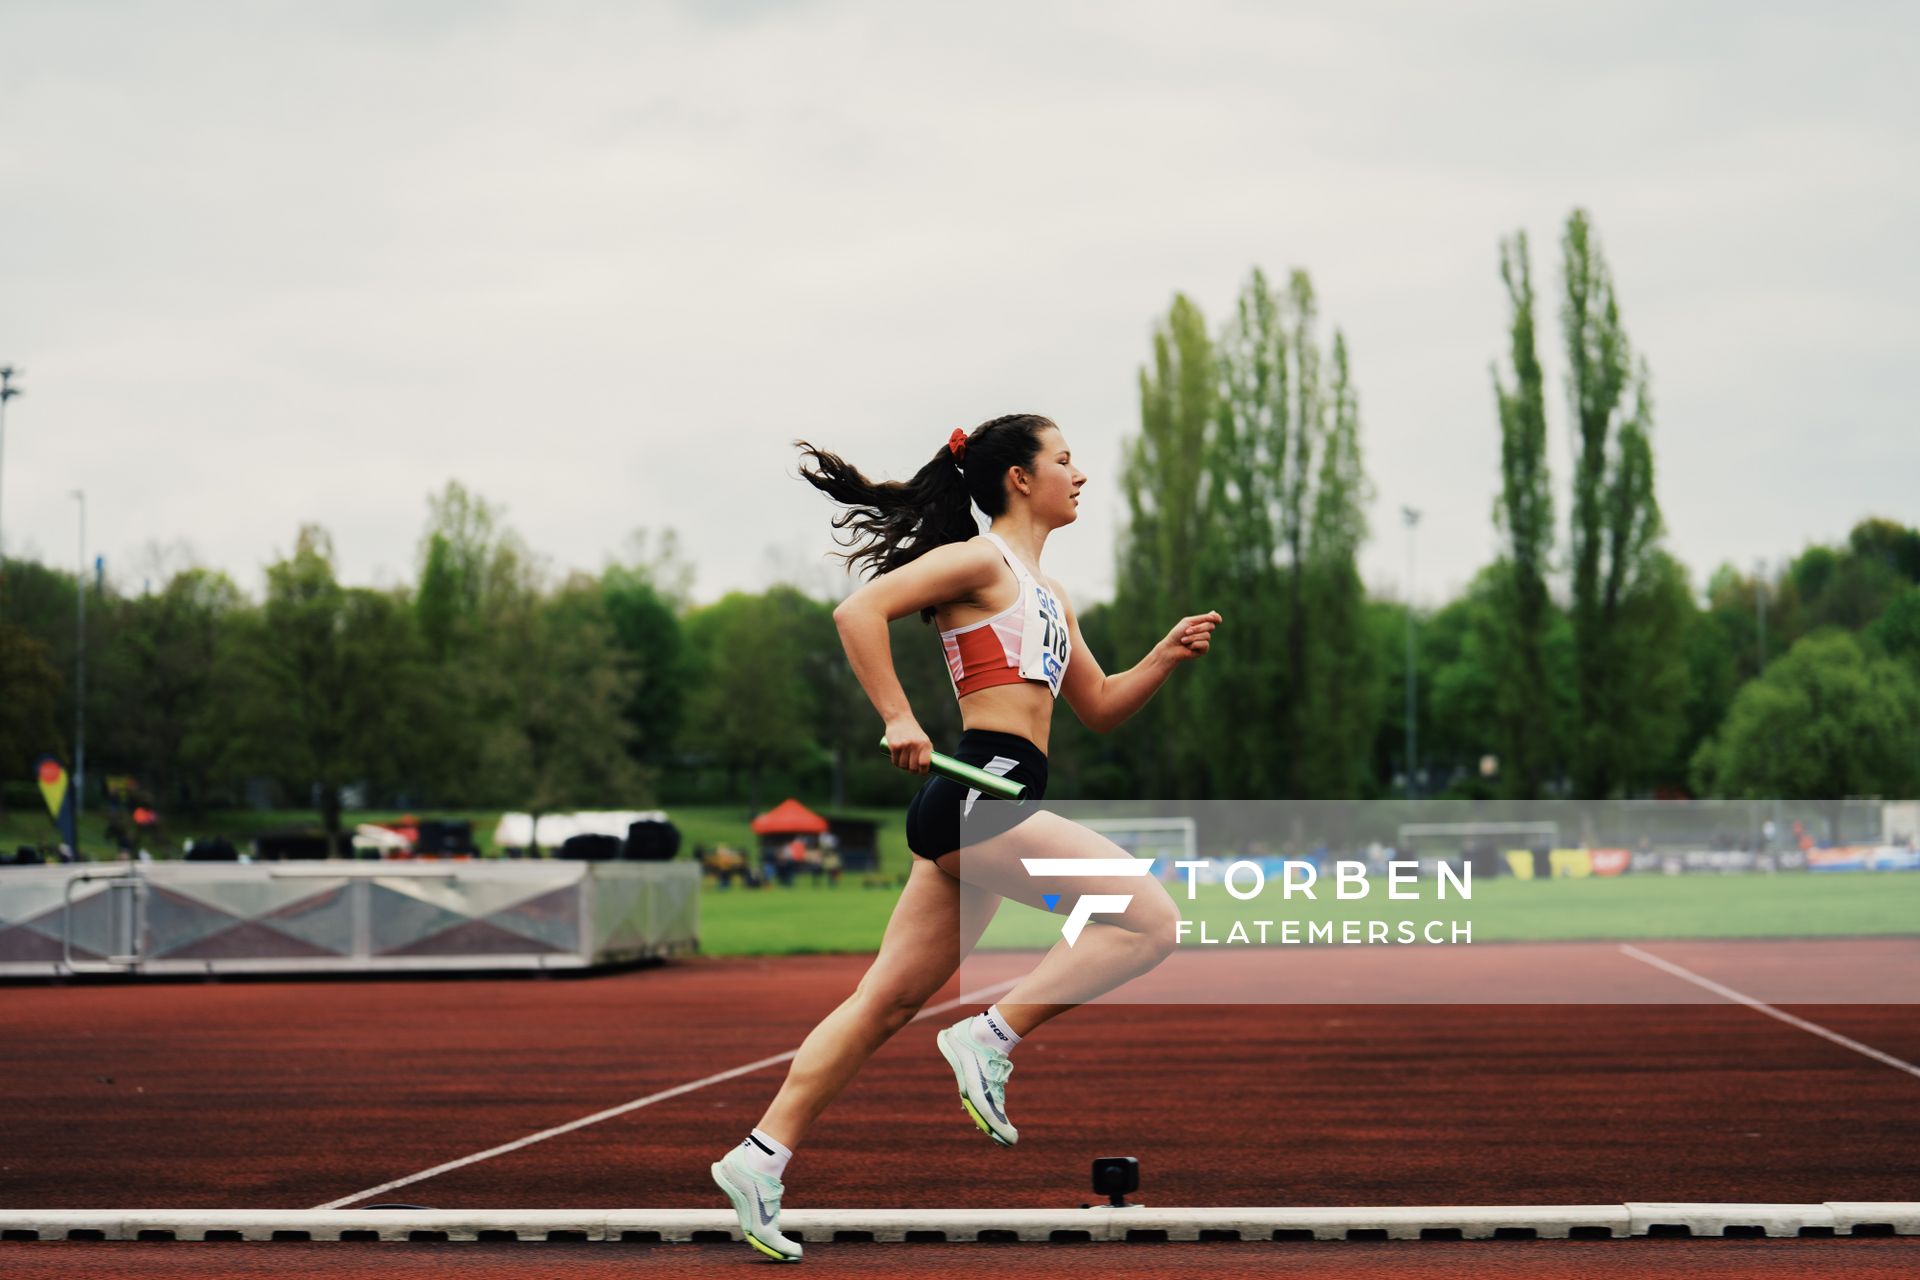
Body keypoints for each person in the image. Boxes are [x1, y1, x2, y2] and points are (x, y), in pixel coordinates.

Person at [709, 413, 1220, 1262]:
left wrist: (1162, 658)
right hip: (983, 793)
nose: (1079, 474)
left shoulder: (1048, 594)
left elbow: (1096, 708)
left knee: (887, 1002)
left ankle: (759, 1158)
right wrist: (899, 717)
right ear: (1020, 479)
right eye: (1064, 459)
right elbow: (858, 611)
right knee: (1149, 921)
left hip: (984, 803)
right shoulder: (982, 559)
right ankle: (990, 1034)